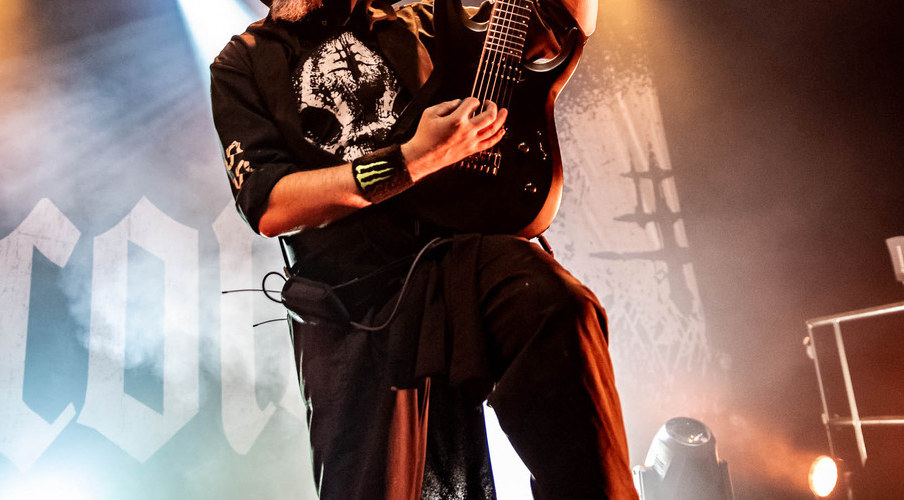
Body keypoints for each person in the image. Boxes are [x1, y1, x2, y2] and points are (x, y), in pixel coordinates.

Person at [210, 0, 638, 497]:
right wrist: (411, 160)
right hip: (353, 305)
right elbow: (270, 206)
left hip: (456, 258)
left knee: (557, 307)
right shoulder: (241, 63)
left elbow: (563, 26)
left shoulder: (425, 22)